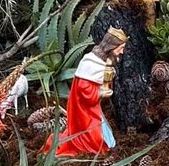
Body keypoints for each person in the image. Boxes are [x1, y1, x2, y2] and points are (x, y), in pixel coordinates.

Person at [53, 28, 127, 157]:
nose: (122, 52)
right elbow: (83, 88)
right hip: (84, 109)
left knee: (103, 130)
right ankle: (92, 149)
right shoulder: (91, 63)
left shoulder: (105, 61)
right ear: (112, 46)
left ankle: (105, 146)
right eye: (120, 48)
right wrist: (100, 93)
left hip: (92, 108)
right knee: (93, 133)